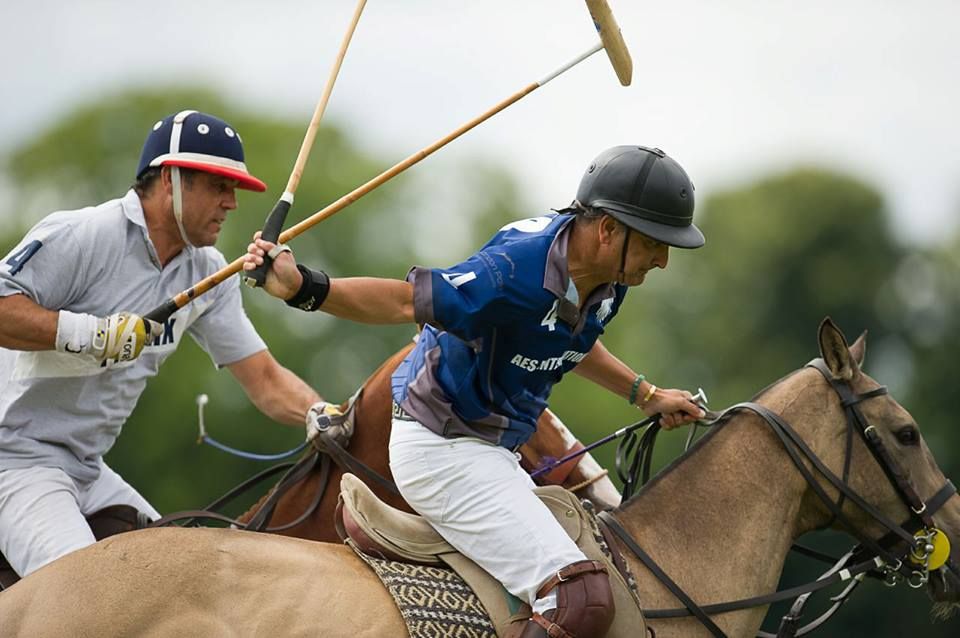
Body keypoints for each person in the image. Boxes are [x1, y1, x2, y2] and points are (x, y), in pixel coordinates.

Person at [244, 145, 707, 637]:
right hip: (440, 447)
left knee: (613, 577)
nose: (661, 260)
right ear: (608, 229)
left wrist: (645, 394)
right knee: (578, 598)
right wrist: (303, 288)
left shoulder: (609, 278)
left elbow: (570, 337)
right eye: (655, 243)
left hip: (492, 453)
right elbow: (407, 302)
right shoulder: (512, 272)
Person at [0, 110, 344, 580]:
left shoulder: (209, 272)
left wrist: (323, 414)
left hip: (86, 470)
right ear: (170, 180)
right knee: (84, 597)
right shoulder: (85, 235)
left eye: (235, 190)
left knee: (181, 589)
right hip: (14, 461)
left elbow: (264, 380)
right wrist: (90, 334)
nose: (232, 204)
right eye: (218, 185)